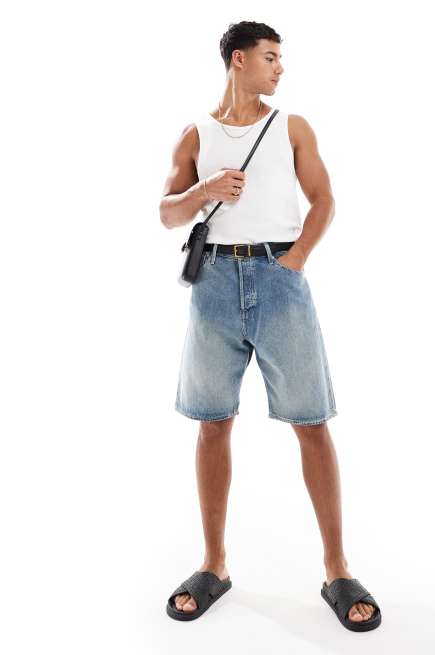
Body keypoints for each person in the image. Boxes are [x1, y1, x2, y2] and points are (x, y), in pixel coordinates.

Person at [159, 21, 381, 632]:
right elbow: (167, 213)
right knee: (212, 422)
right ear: (239, 60)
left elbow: (324, 199)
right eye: (270, 57)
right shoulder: (196, 133)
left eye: (281, 58)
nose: (280, 68)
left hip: (279, 278)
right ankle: (213, 565)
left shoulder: (292, 127)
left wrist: (296, 259)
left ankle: (337, 570)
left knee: (312, 422)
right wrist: (205, 189)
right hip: (213, 285)